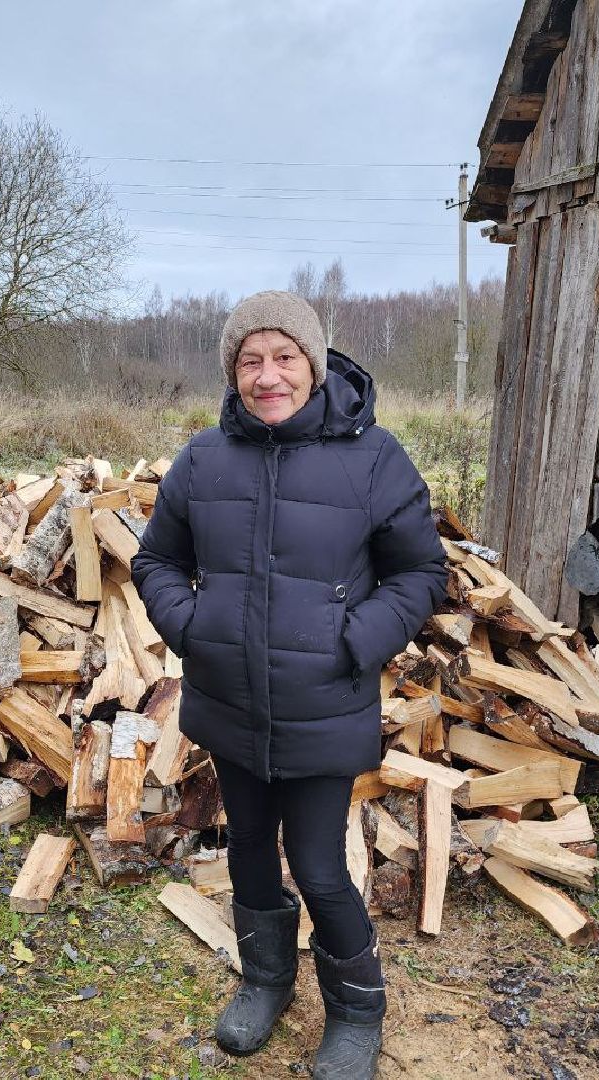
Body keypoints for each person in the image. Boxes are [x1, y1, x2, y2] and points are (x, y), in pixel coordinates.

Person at [131, 290, 448, 1078]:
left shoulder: (374, 458)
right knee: (245, 851)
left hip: (322, 705)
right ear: (232, 372)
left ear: (313, 362)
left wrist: (355, 640)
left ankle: (357, 1012)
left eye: (284, 357)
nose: (267, 376)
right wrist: (193, 628)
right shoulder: (204, 460)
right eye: (250, 360)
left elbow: (420, 571)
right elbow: (156, 559)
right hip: (230, 700)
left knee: (318, 866)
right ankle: (266, 981)